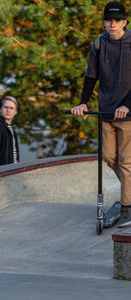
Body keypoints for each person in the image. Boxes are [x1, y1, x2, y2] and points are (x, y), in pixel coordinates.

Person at [71, 1, 131, 228]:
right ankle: (130, 194)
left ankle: (127, 207)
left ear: (124, 22)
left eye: (116, 20)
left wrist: (127, 105)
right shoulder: (98, 44)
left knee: (126, 162)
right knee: (109, 157)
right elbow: (90, 77)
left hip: (127, 114)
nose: (112, 24)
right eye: (108, 20)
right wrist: (83, 103)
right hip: (106, 110)